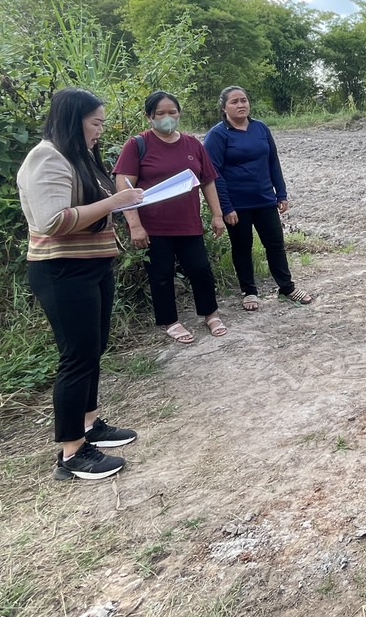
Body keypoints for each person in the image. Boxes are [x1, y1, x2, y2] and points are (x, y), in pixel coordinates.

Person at [17, 88, 144, 481]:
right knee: (76, 357)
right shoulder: (46, 158)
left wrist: (121, 202)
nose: (100, 131)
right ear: (75, 121)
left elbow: (93, 206)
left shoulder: (80, 157)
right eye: (95, 123)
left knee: (94, 348)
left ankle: (90, 425)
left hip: (93, 266)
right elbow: (51, 221)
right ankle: (71, 453)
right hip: (62, 271)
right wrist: (114, 202)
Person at [115, 91, 228, 344]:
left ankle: (210, 314)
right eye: (161, 114)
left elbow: (208, 182)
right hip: (154, 227)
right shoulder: (137, 145)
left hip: (188, 223)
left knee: (200, 269)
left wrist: (217, 215)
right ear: (149, 117)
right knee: (161, 275)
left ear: (179, 114)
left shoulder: (193, 145)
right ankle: (170, 321)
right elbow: (124, 187)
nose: (167, 118)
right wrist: (135, 225)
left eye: (172, 112)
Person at [205, 86, 313, 308]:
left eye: (243, 100)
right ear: (224, 108)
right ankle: (249, 292)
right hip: (237, 205)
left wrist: (281, 193)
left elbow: (273, 162)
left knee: (275, 245)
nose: (241, 105)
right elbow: (214, 175)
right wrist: (226, 207)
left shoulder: (261, 128)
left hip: (264, 199)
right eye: (234, 102)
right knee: (242, 247)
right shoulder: (218, 135)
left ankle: (287, 287)